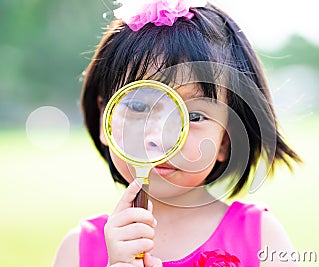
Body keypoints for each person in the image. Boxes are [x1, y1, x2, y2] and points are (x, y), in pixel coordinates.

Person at [53, 1, 302, 266]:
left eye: (195, 116)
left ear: (225, 141)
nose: (161, 137)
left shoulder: (261, 237)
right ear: (107, 119)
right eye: (138, 106)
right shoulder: (78, 250)